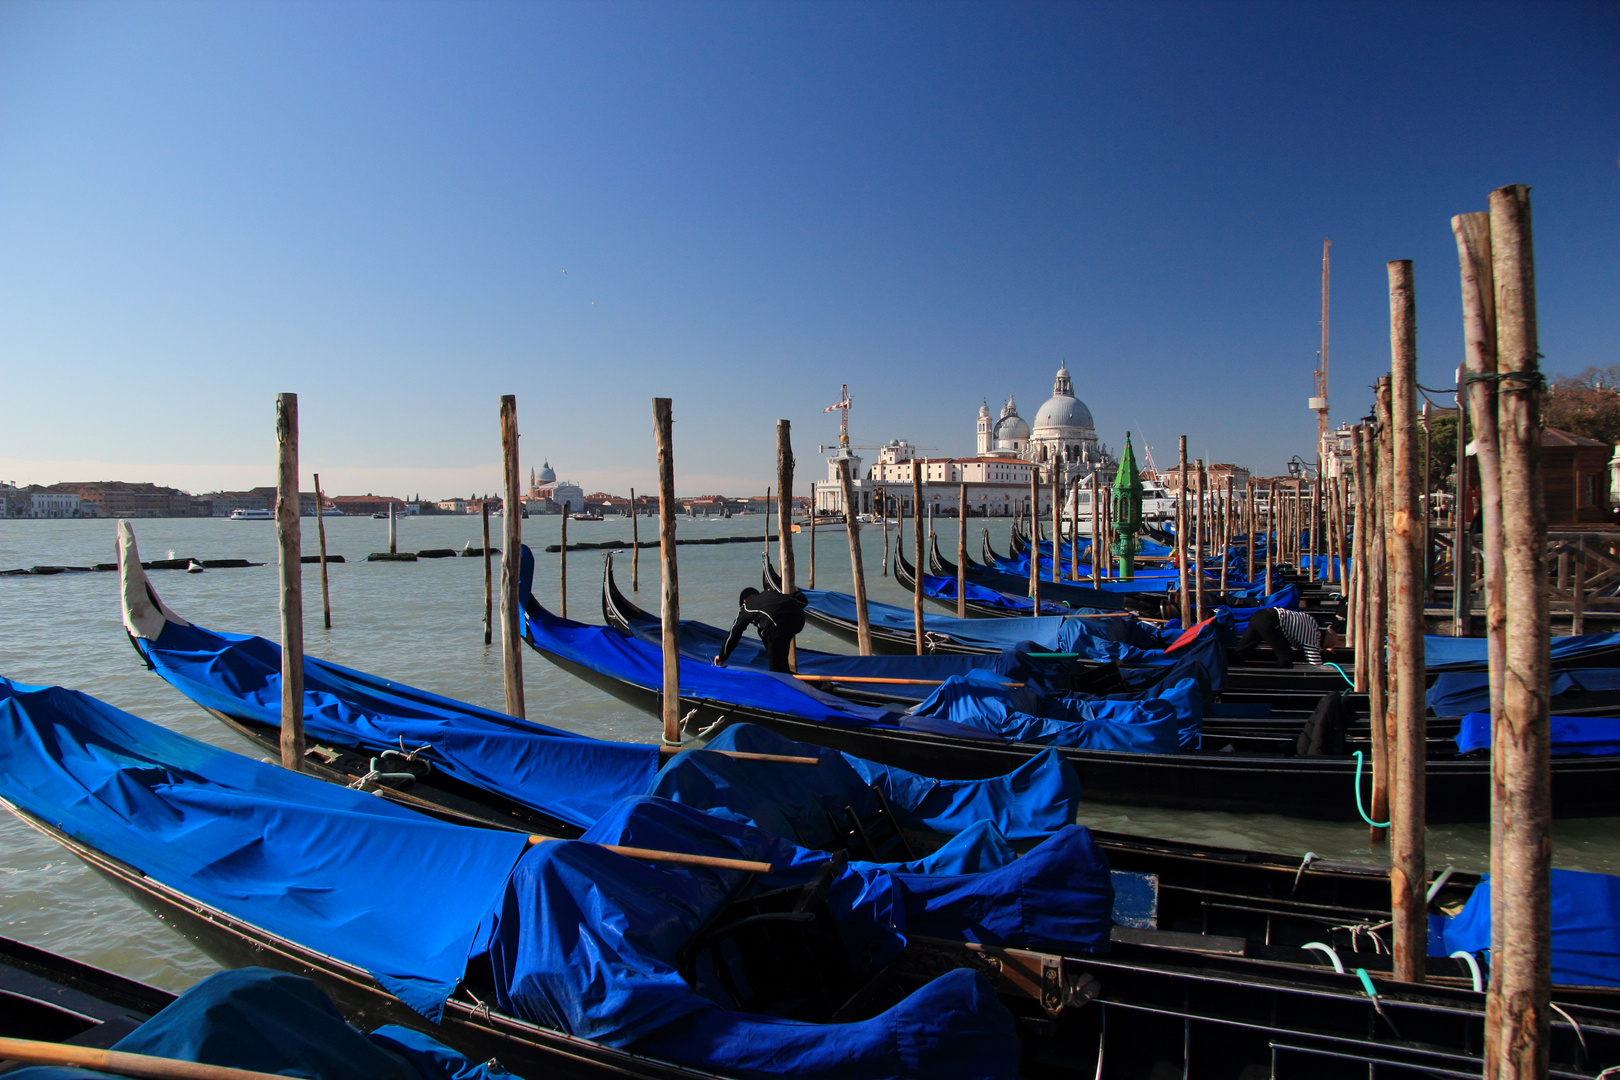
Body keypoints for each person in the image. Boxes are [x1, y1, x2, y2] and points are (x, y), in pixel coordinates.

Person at [714, 587, 808, 673]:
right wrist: (797, 592)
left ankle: (782, 676)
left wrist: (722, 656)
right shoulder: (771, 593)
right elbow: (802, 601)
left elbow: (734, 634)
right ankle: (786, 671)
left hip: (775, 627)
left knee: (777, 671)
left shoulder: (745, 607)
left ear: (744, 600)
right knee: (782, 664)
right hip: (798, 620)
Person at [1231, 606, 1326, 668]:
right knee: (1286, 656)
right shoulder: (1313, 635)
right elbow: (1314, 659)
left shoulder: (1310, 621)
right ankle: (1283, 678)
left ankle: (1231, 666)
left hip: (1259, 615)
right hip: (1270, 619)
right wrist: (1322, 670)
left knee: (1244, 648)